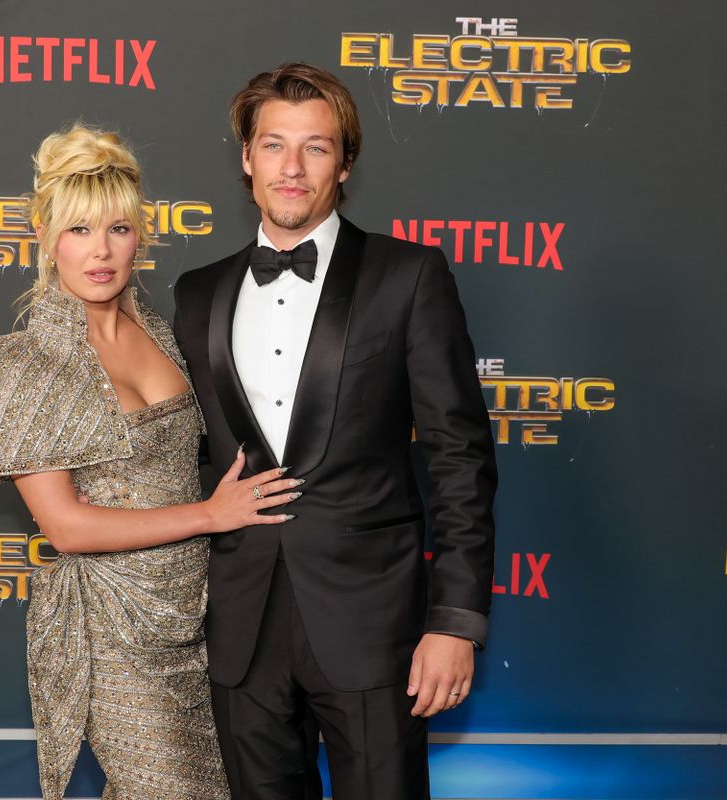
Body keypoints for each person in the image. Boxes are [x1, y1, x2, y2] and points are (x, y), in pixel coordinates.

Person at [172, 63, 498, 799]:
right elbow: (184, 456)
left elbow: (460, 457)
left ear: (345, 163)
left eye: (315, 148)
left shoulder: (408, 275)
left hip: (373, 623)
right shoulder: (197, 293)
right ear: (247, 158)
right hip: (241, 625)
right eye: (273, 145)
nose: (291, 168)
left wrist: (454, 622)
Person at [0, 124, 301, 800]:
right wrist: (211, 513)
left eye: (117, 229)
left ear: (140, 236)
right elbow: (67, 528)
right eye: (79, 231)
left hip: (202, 615)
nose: (100, 251)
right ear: (44, 237)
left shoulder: (168, 332)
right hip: (112, 630)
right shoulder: (17, 367)